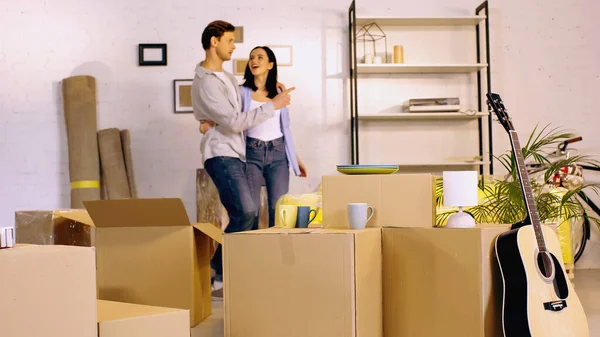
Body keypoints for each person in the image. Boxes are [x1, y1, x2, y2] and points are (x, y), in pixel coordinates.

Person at [192, 20, 295, 294]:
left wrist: (214, 121)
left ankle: (227, 269)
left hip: (243, 152)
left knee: (263, 213)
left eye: (259, 56)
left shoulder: (224, 77)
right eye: (230, 41)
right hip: (224, 153)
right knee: (248, 211)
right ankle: (216, 268)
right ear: (214, 42)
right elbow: (236, 120)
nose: (235, 48)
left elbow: (232, 115)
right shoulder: (208, 81)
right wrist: (271, 105)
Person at [200, 46, 307, 229]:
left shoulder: (279, 94)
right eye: (251, 58)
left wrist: (294, 158)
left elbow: (284, 129)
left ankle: (276, 255)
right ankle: (251, 254)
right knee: (250, 211)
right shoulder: (240, 92)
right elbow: (227, 115)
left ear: (270, 65)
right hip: (250, 152)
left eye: (260, 57)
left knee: (279, 210)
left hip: (279, 154)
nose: (254, 61)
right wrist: (211, 125)